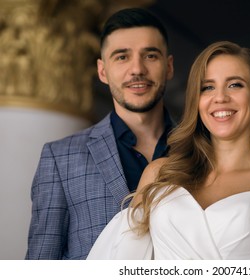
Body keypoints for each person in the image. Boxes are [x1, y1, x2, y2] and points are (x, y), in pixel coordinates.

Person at [87, 41, 250, 260]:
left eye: (235, 85)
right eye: (207, 87)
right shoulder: (159, 174)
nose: (220, 97)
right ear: (197, 101)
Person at [25, 7, 175, 259]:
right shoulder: (60, 157)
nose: (137, 69)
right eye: (121, 57)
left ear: (168, 66)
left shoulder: (204, 149)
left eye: (150, 55)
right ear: (102, 71)